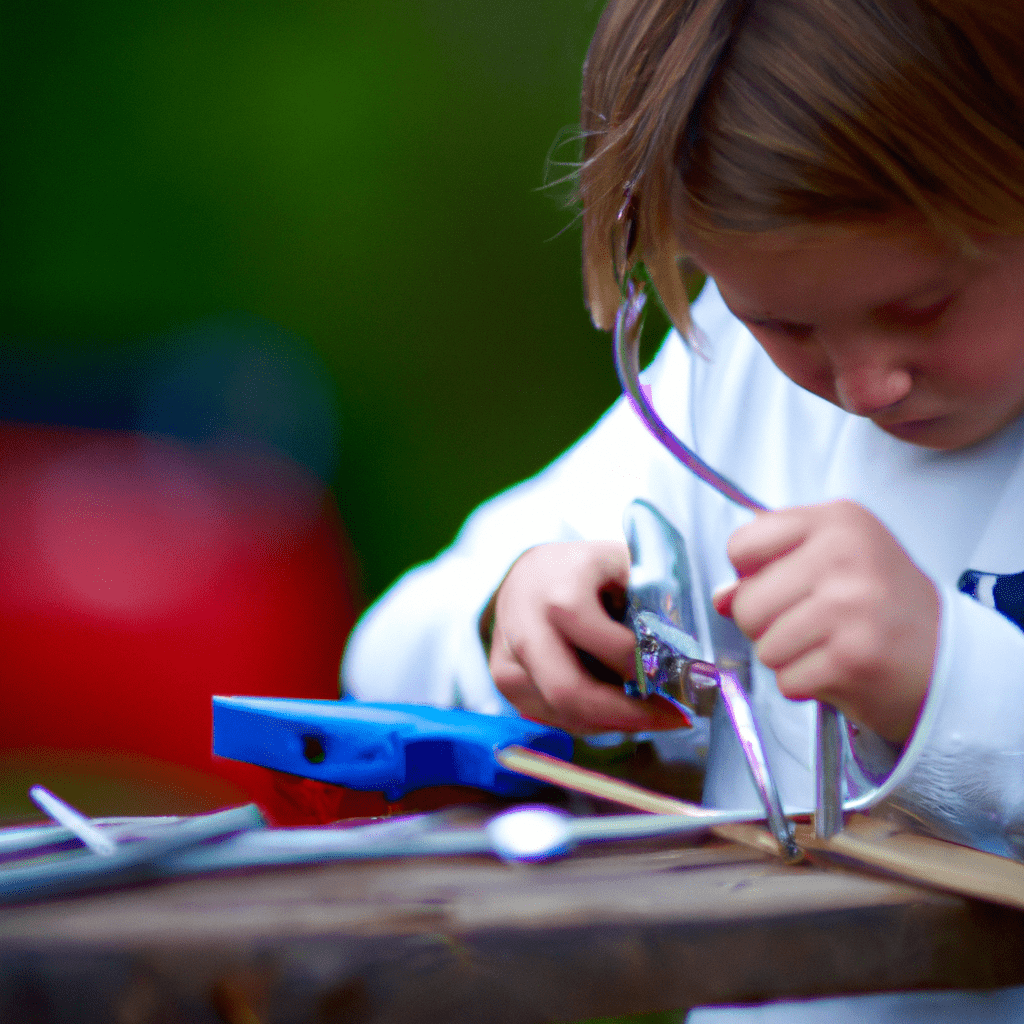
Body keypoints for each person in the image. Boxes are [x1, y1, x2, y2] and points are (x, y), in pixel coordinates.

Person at [344, 0, 1024, 1018]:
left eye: (920, 305)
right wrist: (517, 623)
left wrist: (952, 682)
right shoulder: (731, 384)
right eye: (785, 321)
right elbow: (384, 655)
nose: (865, 382)